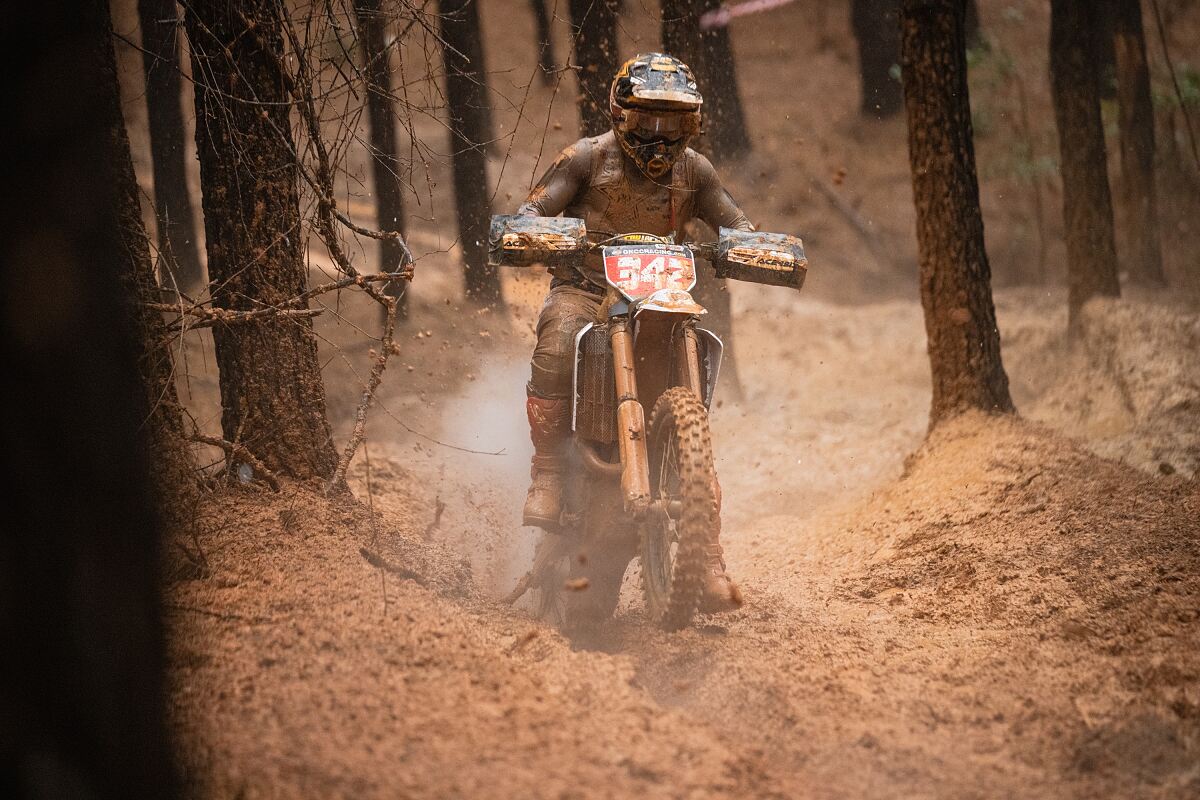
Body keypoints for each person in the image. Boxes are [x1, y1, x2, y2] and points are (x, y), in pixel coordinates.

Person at [515, 53, 753, 612]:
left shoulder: (696, 171)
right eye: (648, 120)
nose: (660, 136)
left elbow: (737, 223)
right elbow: (533, 209)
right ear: (621, 114)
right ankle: (548, 471)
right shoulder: (584, 158)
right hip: (586, 289)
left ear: (692, 125)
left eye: (674, 124)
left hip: (662, 295)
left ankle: (708, 555)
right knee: (557, 335)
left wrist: (747, 246)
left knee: (699, 346)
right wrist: (539, 231)